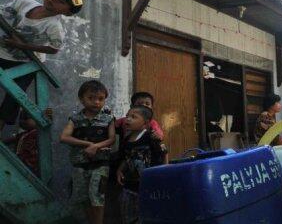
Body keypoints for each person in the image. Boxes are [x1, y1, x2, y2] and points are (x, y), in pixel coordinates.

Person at [0, 0, 83, 131]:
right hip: (2, 53)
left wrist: (22, 46)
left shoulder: (54, 26)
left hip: (26, 63)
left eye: (60, 1)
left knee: (14, 96)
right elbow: (3, 15)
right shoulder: (24, 3)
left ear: (67, 12)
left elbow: (53, 49)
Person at [60, 80, 115, 224]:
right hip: (80, 166)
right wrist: (89, 144)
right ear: (81, 99)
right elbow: (64, 137)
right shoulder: (75, 119)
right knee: (83, 198)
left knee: (97, 197)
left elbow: (111, 139)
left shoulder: (108, 119)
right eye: (91, 98)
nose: (96, 102)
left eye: (100, 99)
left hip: (100, 165)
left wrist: (96, 147)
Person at [116, 105, 167, 224]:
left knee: (150, 212)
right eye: (127, 116)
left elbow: (164, 153)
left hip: (149, 183)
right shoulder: (126, 139)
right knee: (128, 213)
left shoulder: (150, 137)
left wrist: (165, 171)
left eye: (133, 117)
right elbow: (126, 157)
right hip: (129, 184)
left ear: (145, 123)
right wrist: (119, 170)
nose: (128, 119)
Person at [2, 109, 52, 176]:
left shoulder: (37, 134)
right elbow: (16, 138)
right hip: (22, 164)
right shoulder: (26, 134)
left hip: (30, 166)